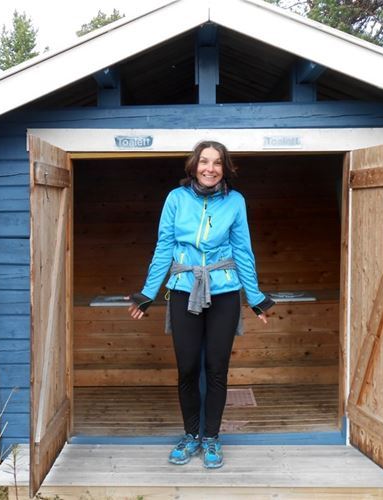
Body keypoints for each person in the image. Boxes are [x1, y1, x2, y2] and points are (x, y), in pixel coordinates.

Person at [128, 140, 274, 469]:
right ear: (194, 166)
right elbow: (163, 246)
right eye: (204, 161)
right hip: (183, 290)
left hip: (224, 292)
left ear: (225, 168)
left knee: (217, 370)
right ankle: (191, 435)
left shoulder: (235, 202)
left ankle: (211, 439)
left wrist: (255, 298)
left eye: (217, 162)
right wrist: (148, 293)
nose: (210, 168)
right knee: (188, 369)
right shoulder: (176, 199)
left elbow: (243, 251)